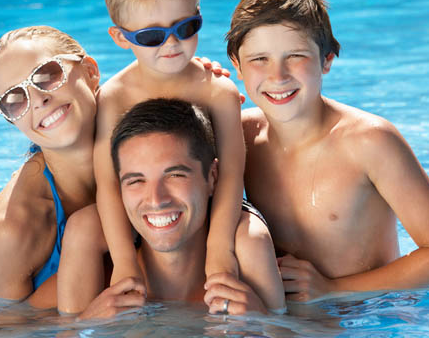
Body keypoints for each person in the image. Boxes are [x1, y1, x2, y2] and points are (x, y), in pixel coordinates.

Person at [225, 0, 429, 302]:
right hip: (291, 316)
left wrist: (333, 290)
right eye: (259, 59)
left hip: (374, 313)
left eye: (295, 56)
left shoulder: (369, 142)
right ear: (236, 65)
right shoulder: (239, 137)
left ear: (327, 60)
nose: (277, 76)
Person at [91, 0, 249, 302]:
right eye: (151, 36)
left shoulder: (217, 90)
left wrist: (219, 249)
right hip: (148, 210)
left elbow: (231, 177)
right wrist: (124, 262)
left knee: (252, 238)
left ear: (198, 15)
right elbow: (106, 183)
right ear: (120, 38)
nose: (172, 43)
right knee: (83, 232)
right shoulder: (114, 97)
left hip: (207, 209)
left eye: (186, 27)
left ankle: (268, 321)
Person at [79, 98, 285, 319]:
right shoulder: (98, 281)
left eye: (175, 175)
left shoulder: (252, 279)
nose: (156, 200)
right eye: (136, 181)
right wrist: (85, 327)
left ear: (212, 177)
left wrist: (263, 325)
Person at [0, 26, 107, 311]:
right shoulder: (13, 230)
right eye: (15, 100)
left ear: (90, 71)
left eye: (47, 76)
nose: (38, 100)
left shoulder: (144, 128)